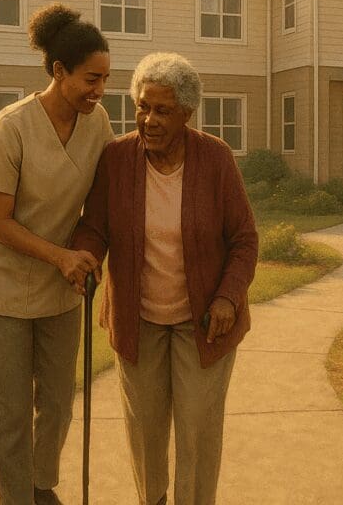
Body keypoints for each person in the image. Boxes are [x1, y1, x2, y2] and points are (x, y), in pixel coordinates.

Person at [71, 52, 258, 505]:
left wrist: (228, 300)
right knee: (145, 430)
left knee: (196, 427)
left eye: (162, 110)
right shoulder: (116, 158)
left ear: (187, 114)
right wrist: (85, 257)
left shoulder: (215, 159)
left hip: (204, 321)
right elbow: (95, 226)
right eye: (141, 106)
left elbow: (244, 240)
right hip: (138, 321)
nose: (148, 120)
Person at [0, 4, 112, 505]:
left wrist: (86, 257)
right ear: (58, 71)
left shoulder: (98, 123)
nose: (99, 91)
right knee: (10, 414)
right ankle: (16, 498)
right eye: (91, 79)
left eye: (105, 80)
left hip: (59, 287)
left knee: (59, 403)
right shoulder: (12, 126)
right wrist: (60, 257)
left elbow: (105, 200)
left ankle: (40, 485)